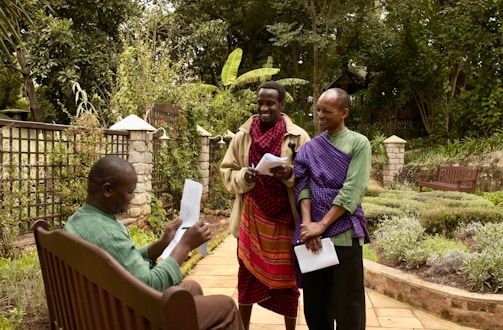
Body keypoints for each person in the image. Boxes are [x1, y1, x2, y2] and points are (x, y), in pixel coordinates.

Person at [64, 155, 244, 330]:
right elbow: (150, 285)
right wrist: (185, 245)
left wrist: (162, 243)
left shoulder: (80, 221)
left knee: (191, 288)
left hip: (100, 309)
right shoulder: (107, 232)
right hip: (125, 320)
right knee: (226, 307)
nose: (133, 196)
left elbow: (121, 260)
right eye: (129, 191)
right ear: (107, 190)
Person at [220, 81, 311, 330]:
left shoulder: (298, 137)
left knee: (288, 283)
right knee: (247, 278)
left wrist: (289, 174)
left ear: (281, 105)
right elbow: (227, 171)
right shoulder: (242, 136)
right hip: (251, 218)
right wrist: (244, 177)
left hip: (284, 220)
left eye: (270, 103)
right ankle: (243, 327)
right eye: (260, 102)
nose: (264, 108)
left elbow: (309, 176)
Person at [293, 87, 371, 330]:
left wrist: (322, 225)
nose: (320, 116)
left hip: (344, 235)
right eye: (318, 110)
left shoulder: (358, 144)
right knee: (315, 305)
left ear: (344, 113)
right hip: (313, 238)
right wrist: (308, 225)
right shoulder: (310, 148)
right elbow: (303, 185)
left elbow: (352, 191)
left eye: (327, 111)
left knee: (348, 306)